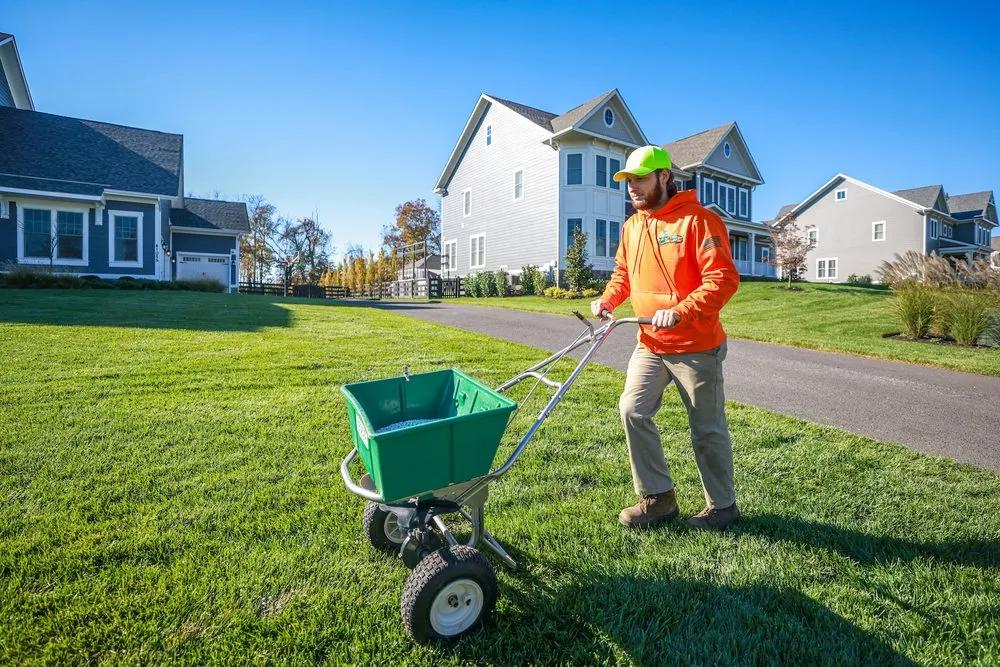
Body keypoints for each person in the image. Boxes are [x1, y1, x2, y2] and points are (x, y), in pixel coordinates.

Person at [591, 145, 742, 530]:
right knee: (632, 409)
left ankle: (723, 508)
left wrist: (681, 310)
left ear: (664, 176)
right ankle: (658, 498)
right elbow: (623, 274)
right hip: (651, 343)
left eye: (640, 178)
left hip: (696, 346)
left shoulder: (699, 221)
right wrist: (608, 299)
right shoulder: (633, 226)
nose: (633, 188)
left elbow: (722, 280)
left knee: (706, 430)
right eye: (628, 181)